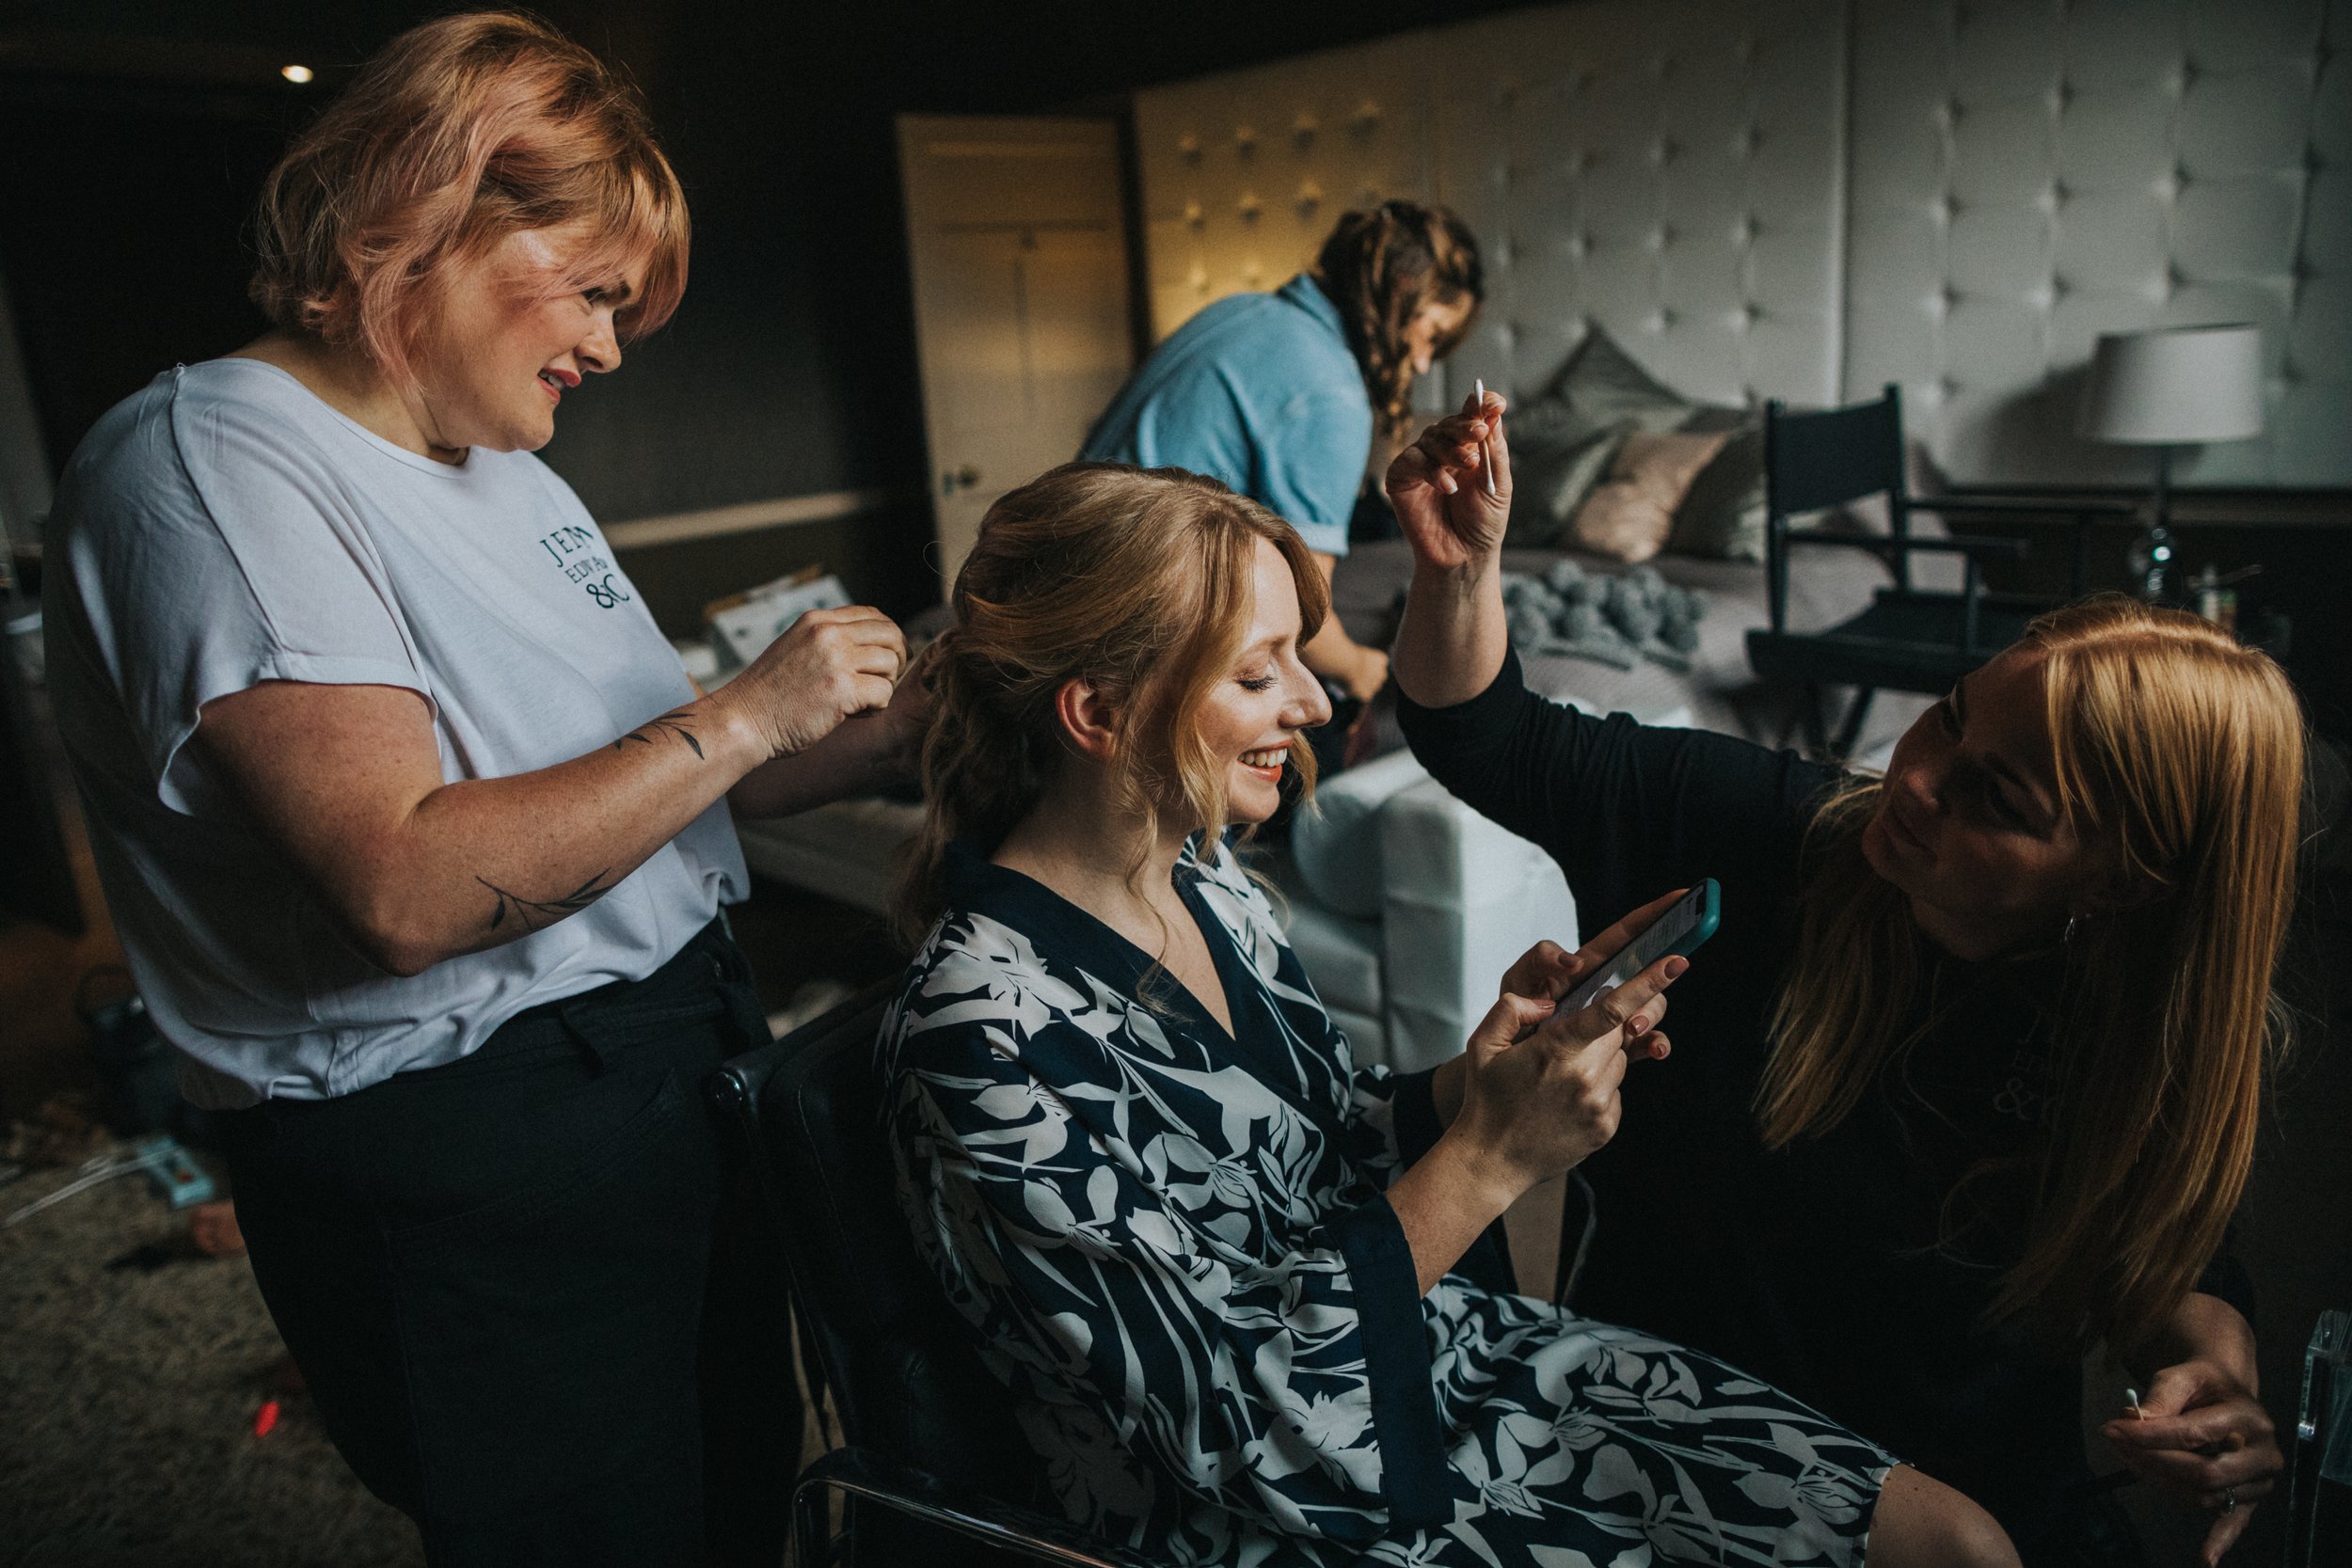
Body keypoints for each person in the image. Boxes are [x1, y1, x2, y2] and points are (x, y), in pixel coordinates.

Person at [42, 14, 922, 1564]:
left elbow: (655, 790)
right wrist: (741, 713)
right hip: (478, 1136)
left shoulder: (505, 467)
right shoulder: (217, 464)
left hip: (669, 1057)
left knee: (736, 1488)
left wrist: (934, 720)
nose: (606, 344)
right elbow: (403, 883)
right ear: (426, 220)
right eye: (592, 291)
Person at [877, 461, 2021, 1568]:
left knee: (1958, 1540)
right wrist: (1489, 1160)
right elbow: (1225, 1424)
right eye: (1258, 671)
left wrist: (1478, 1082)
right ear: (1099, 711)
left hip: (1425, 1359)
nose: (1317, 701)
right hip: (1275, 1505)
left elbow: (1318, 1146)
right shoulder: (984, 1030)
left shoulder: (1205, 880)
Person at [1385, 393, 2299, 1567]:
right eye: (1948, 721)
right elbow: (1490, 736)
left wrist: (2211, 1376)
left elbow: (2169, 1247)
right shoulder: (1771, 829)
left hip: (1977, 1510)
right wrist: (1458, 571)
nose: (1916, 782)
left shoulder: (2136, 1016)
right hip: (1675, 1465)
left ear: (2116, 885)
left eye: (1997, 800)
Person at [1079, 201, 1482, 705]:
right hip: (1131, 630)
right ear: (1402, 291)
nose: (1423, 364)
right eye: (1432, 336)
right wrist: (1359, 667)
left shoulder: (1241, 309)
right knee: (1326, 716)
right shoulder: (1329, 390)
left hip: (1073, 580)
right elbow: (1304, 623)